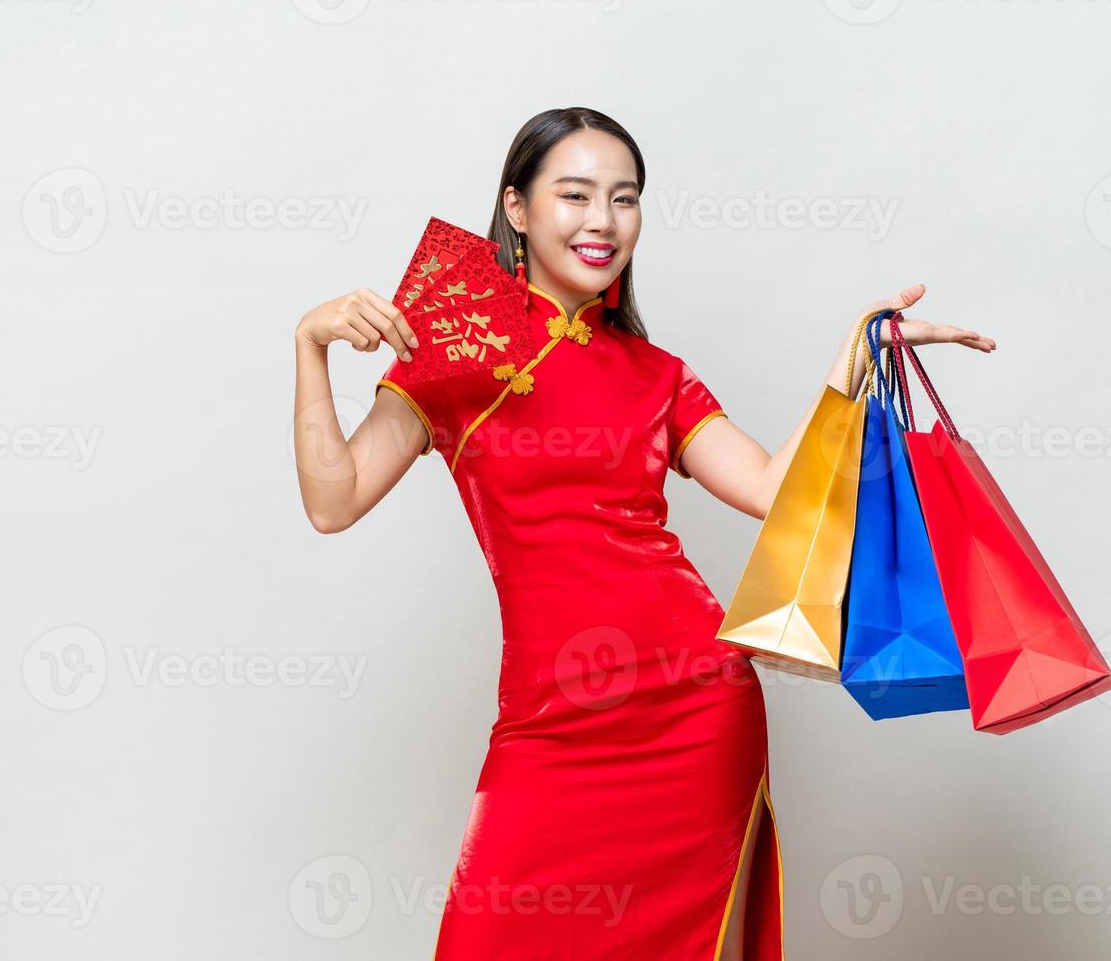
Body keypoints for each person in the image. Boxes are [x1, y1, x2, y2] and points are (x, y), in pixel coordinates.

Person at [291, 107, 995, 961]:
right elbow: (335, 501)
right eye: (575, 195)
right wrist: (311, 348)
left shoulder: (656, 375)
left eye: (624, 199)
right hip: (546, 725)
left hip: (694, 707)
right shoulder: (449, 354)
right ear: (515, 208)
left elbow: (775, 489)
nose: (602, 221)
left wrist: (858, 355)